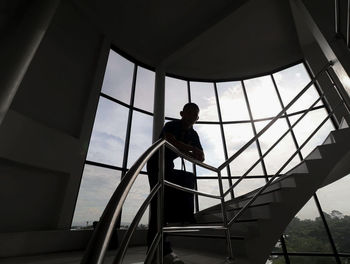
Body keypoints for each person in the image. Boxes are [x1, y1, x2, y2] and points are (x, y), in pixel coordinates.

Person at [147, 103, 205, 264]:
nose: (192, 116)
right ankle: (158, 250)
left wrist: (189, 149)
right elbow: (170, 140)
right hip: (156, 164)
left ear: (197, 118)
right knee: (158, 203)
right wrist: (189, 149)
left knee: (188, 178)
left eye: (195, 114)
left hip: (168, 166)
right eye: (189, 113)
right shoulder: (171, 125)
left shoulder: (194, 134)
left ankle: (182, 216)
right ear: (182, 113)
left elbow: (201, 156)